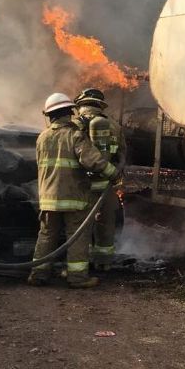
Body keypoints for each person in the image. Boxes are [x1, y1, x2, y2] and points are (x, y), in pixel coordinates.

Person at [28, 92, 121, 288]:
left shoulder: (42, 137)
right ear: (69, 113)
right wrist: (113, 173)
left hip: (47, 198)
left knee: (46, 235)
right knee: (77, 236)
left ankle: (38, 274)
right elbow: (93, 161)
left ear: (49, 116)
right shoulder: (75, 136)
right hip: (73, 197)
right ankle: (77, 278)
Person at [73, 88, 126, 271]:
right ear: (101, 106)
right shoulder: (114, 126)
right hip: (106, 184)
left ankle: (80, 263)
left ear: (80, 105)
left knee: (80, 224)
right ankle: (103, 263)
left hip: (81, 184)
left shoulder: (73, 125)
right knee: (106, 222)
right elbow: (122, 153)